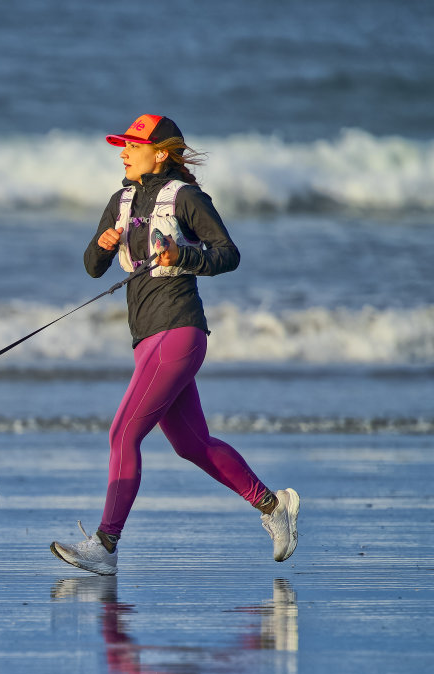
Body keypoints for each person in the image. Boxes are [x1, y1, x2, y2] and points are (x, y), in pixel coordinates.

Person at [51, 114, 299, 576]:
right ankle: (273, 506)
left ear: (159, 152)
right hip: (145, 339)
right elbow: (91, 266)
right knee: (191, 444)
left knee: (123, 433)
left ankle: (106, 545)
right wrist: (104, 244)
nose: (123, 151)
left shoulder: (185, 197)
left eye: (132, 144)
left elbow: (228, 253)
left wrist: (181, 255)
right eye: (121, 145)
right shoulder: (120, 201)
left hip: (180, 330)